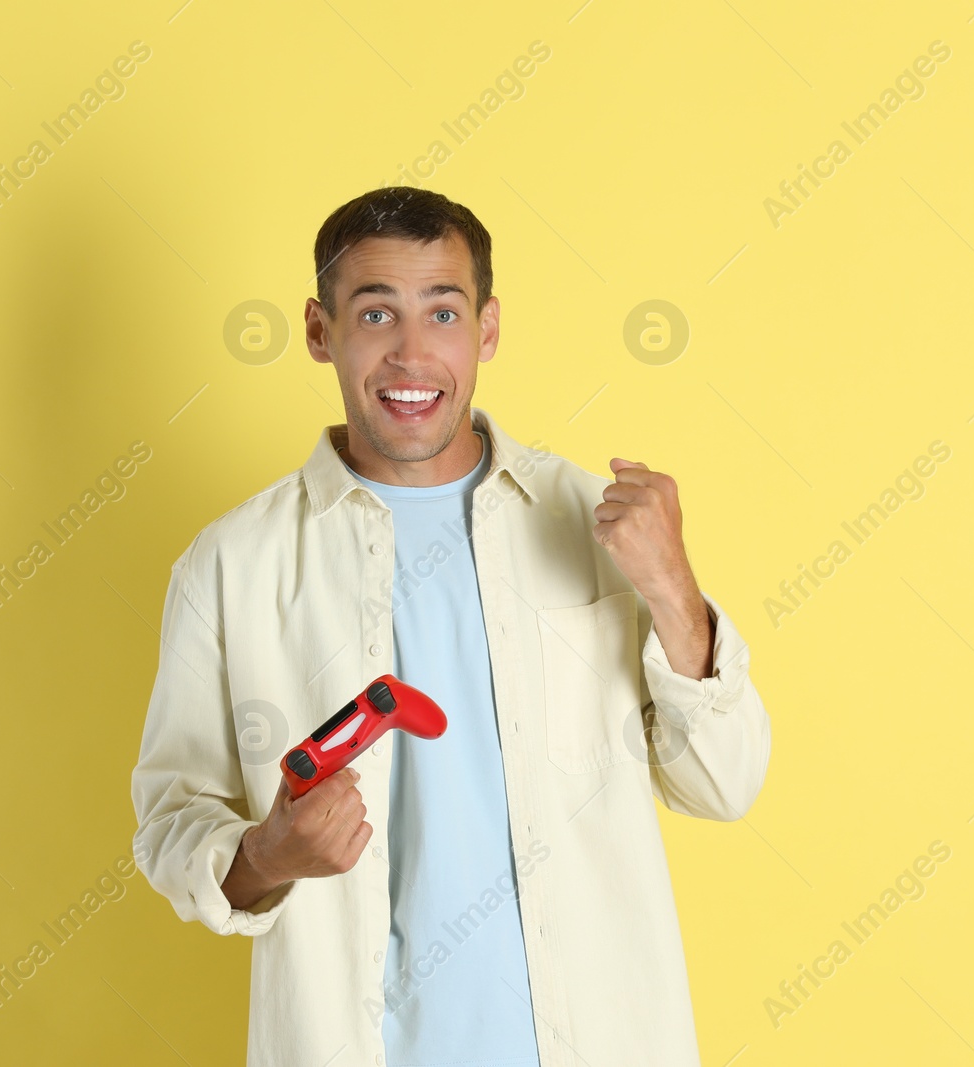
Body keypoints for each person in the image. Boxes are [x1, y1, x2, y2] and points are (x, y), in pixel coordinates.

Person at [131, 185, 771, 1067]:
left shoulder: (591, 518)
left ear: (489, 328)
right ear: (321, 331)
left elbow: (724, 783)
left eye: (443, 311)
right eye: (375, 312)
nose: (411, 353)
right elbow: (170, 822)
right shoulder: (231, 566)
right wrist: (268, 853)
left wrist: (674, 589)